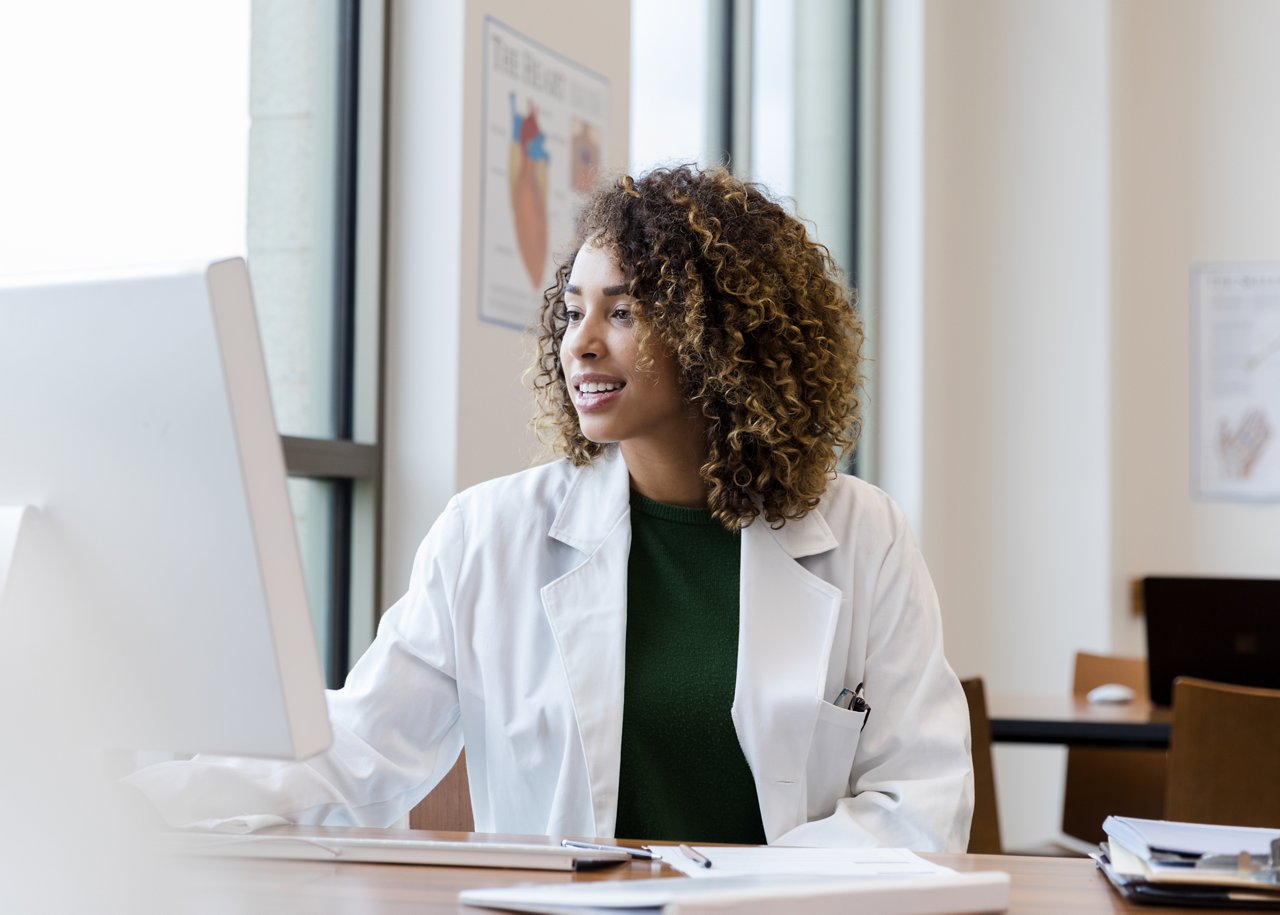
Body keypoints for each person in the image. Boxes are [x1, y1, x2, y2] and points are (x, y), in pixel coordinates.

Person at [130, 164, 973, 850]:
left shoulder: (864, 535)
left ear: (721, 338)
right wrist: (141, 795)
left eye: (625, 310)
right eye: (573, 310)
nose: (581, 341)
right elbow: (356, 752)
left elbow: (920, 801)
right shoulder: (487, 534)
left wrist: (732, 893)